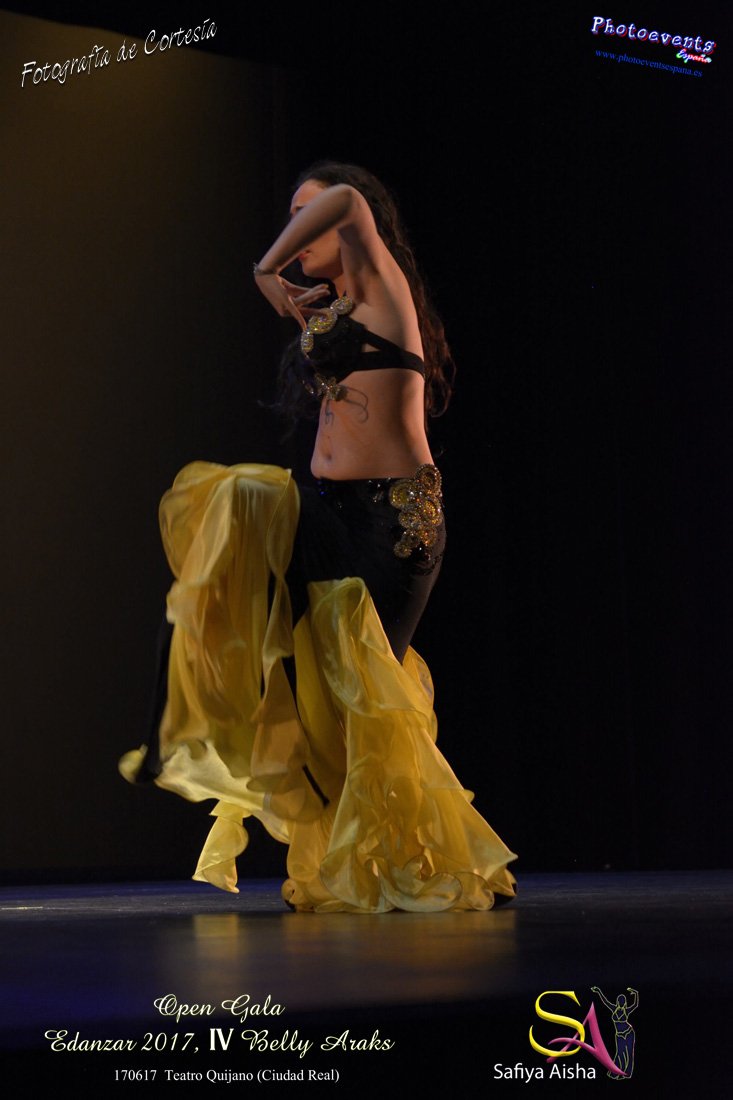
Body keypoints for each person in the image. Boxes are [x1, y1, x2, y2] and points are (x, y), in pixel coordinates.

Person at [120, 162, 517, 913]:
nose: (297, 236)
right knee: (236, 503)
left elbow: (345, 198)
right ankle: (178, 723)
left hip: (390, 523)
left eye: (306, 222)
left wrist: (265, 266)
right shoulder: (335, 308)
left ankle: (416, 854)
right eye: (289, 222)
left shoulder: (382, 286)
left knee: (362, 699)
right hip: (327, 512)